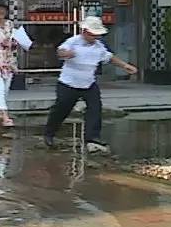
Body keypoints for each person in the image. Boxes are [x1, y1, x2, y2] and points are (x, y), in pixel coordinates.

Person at [44, 17, 138, 153]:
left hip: (88, 83)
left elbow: (109, 57)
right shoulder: (73, 41)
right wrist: (67, 54)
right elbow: (61, 51)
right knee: (61, 109)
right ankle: (49, 134)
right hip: (69, 83)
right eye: (93, 34)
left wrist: (125, 66)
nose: (95, 37)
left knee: (95, 109)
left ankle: (92, 138)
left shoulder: (99, 46)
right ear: (85, 32)